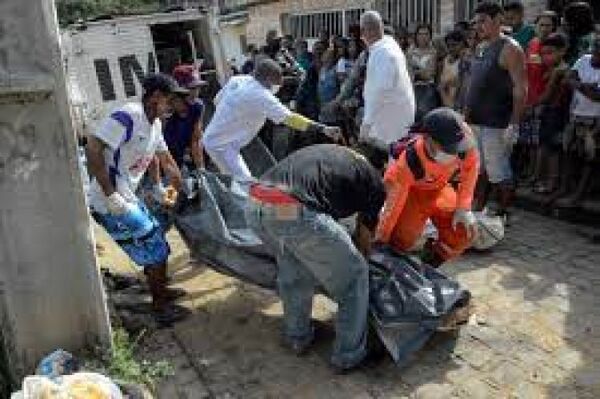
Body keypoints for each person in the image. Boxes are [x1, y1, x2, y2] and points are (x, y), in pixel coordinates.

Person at [245, 144, 385, 372]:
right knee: (356, 276)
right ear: (381, 166)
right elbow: (364, 236)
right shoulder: (373, 180)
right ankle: (348, 355)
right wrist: (357, 260)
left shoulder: (329, 154)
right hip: (292, 212)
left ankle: (297, 337)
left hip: (256, 207)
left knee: (296, 268)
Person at [86, 74, 188, 325]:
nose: (173, 107)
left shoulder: (155, 126)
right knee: (156, 247)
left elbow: (163, 160)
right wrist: (110, 195)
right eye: (170, 101)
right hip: (108, 201)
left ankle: (160, 290)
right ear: (155, 97)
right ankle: (160, 307)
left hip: (128, 196)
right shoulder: (129, 115)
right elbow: (93, 147)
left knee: (157, 241)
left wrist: (164, 191)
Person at [202, 58, 342, 180]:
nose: (278, 86)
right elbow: (290, 119)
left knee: (240, 181)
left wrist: (238, 116)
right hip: (222, 146)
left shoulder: (238, 80)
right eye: (277, 82)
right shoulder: (260, 95)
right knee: (245, 185)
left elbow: (217, 101)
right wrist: (323, 128)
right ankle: (243, 209)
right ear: (268, 79)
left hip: (221, 140)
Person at [376, 108, 479, 267]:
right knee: (402, 238)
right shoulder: (408, 164)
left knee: (465, 231)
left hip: (440, 189)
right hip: (411, 194)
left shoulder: (463, 140)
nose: (454, 154)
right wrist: (381, 241)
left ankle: (431, 262)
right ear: (428, 139)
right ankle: (392, 267)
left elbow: (471, 168)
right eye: (448, 149)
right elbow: (392, 206)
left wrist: (463, 207)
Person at [465, 2, 527, 221]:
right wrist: (466, 114)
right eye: (476, 22)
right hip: (476, 120)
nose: (478, 26)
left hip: (497, 122)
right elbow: (474, 84)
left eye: (483, 21)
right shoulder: (481, 48)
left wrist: (514, 124)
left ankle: (504, 213)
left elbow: (521, 89)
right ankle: (479, 207)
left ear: (498, 20)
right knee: (479, 169)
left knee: (499, 172)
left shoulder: (511, 48)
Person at [548, 34, 600, 208]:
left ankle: (578, 194)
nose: (596, 54)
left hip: (595, 119)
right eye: (595, 49)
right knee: (569, 153)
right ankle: (564, 188)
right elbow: (568, 79)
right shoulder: (584, 59)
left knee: (589, 159)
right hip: (576, 114)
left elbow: (596, 97)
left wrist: (578, 84)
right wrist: (585, 86)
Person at [360, 10, 415, 168]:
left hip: (392, 117)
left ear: (365, 31)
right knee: (396, 157)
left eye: (362, 32)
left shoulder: (383, 52)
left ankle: (393, 190)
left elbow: (380, 91)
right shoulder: (387, 46)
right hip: (394, 115)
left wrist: (367, 122)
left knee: (397, 160)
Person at [516, 11, 558, 183]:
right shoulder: (532, 43)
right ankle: (529, 172)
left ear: (554, 27)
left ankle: (538, 176)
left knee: (540, 142)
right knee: (527, 141)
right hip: (528, 100)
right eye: (541, 25)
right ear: (536, 26)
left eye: (548, 25)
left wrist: (537, 102)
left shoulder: (554, 48)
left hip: (544, 102)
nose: (545, 28)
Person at [534, 33, 571, 195]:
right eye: (543, 54)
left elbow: (547, 96)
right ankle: (543, 180)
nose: (545, 57)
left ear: (562, 51)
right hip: (550, 113)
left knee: (553, 149)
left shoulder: (560, 70)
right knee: (546, 147)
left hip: (557, 114)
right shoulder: (552, 70)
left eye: (550, 53)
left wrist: (532, 105)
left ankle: (552, 183)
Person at [163, 65, 206, 171]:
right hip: (163, 157)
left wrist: (201, 169)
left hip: (185, 155)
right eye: (191, 88)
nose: (195, 93)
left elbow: (196, 140)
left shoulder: (198, 107)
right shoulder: (164, 111)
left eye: (197, 87)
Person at [407, 24, 440, 122]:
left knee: (425, 116)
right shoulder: (410, 51)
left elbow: (430, 74)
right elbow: (408, 72)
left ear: (430, 36)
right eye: (420, 34)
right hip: (412, 88)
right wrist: (420, 72)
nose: (423, 37)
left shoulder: (433, 52)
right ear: (416, 36)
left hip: (428, 88)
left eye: (426, 34)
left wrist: (416, 72)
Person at [439, 30, 466, 109]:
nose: (451, 48)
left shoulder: (465, 61)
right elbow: (440, 85)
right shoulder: (445, 61)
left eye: (454, 45)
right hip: (446, 102)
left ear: (462, 44)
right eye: (448, 46)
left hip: (460, 104)